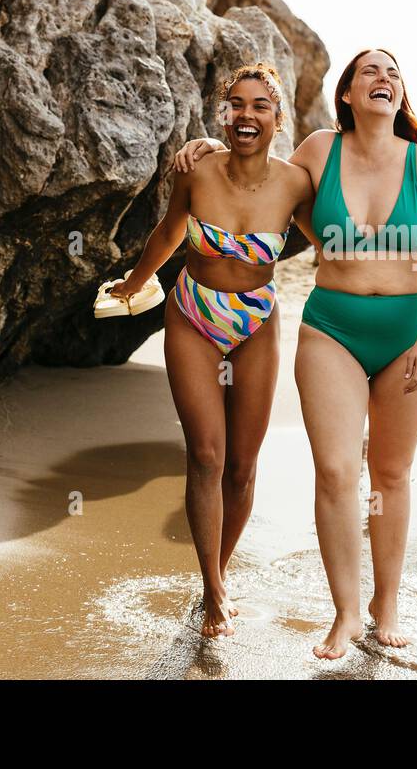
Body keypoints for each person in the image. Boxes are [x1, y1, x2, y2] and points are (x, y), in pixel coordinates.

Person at [173, 48, 417, 659]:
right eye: (369, 71)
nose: (383, 78)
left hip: (410, 331)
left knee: (391, 474)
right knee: (334, 470)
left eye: (393, 72)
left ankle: (387, 603)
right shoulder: (321, 151)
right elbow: (253, 167)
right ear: (347, 95)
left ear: (400, 94)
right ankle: (347, 612)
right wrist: (202, 143)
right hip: (333, 328)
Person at [110, 63, 314, 637]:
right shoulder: (196, 169)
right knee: (206, 456)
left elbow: (336, 240)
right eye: (236, 105)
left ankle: (218, 573)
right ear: (224, 113)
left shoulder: (296, 184)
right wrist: (134, 282)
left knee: (243, 468)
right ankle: (213, 591)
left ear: (278, 118)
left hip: (257, 324)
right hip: (194, 314)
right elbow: (170, 233)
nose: (246, 115)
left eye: (260, 106)